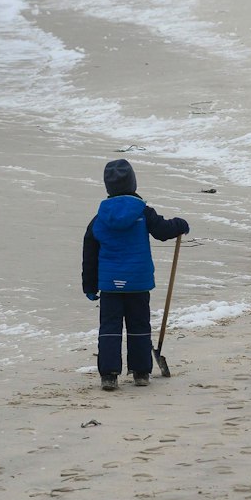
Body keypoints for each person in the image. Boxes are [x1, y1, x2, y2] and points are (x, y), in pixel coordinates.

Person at [82, 158, 190, 390]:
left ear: (107, 187)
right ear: (133, 183)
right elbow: (163, 231)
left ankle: (109, 375)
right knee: (139, 325)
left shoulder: (99, 219)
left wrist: (89, 286)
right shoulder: (143, 212)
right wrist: (180, 224)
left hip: (110, 284)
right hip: (138, 282)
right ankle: (141, 373)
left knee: (110, 327)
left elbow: (89, 253)